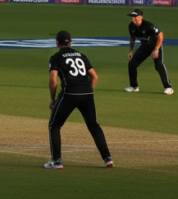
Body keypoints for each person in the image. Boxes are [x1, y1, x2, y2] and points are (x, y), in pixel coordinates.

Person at [45, 30, 113, 169]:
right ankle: (108, 159)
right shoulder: (81, 55)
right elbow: (95, 77)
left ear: (57, 43)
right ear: (70, 42)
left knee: (54, 125)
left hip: (69, 94)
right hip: (87, 94)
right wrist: (86, 91)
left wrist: (52, 99)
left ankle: (56, 161)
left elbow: (53, 81)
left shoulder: (56, 57)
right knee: (94, 126)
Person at [125, 9, 173, 94]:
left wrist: (156, 49)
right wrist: (131, 50)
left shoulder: (148, 25)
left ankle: (168, 87)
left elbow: (160, 35)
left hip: (155, 44)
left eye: (135, 17)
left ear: (140, 17)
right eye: (132, 17)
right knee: (132, 63)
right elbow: (132, 37)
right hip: (145, 45)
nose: (133, 19)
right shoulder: (131, 26)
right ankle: (134, 87)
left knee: (158, 65)